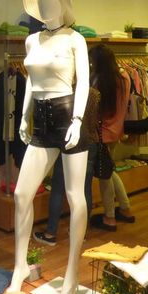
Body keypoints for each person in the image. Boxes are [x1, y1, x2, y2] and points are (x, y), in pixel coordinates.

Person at [7, 0, 90, 294]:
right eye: (39, 3)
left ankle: (72, 275)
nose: (44, 7)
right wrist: (24, 116)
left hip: (67, 115)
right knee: (21, 194)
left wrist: (78, 120)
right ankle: (20, 266)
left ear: (62, 5)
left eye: (49, 1)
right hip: (40, 119)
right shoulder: (32, 40)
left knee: (75, 197)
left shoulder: (75, 39)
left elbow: (83, 82)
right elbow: (31, 82)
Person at [33, 87, 100, 246]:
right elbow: (95, 121)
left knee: (58, 188)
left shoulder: (65, 93)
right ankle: (81, 232)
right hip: (90, 141)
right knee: (85, 190)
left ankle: (50, 233)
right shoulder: (94, 94)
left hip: (68, 141)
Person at [88, 44, 136, 232]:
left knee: (104, 176)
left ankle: (109, 217)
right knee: (110, 170)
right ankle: (125, 208)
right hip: (117, 130)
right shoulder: (124, 77)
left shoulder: (101, 80)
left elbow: (97, 110)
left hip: (102, 133)